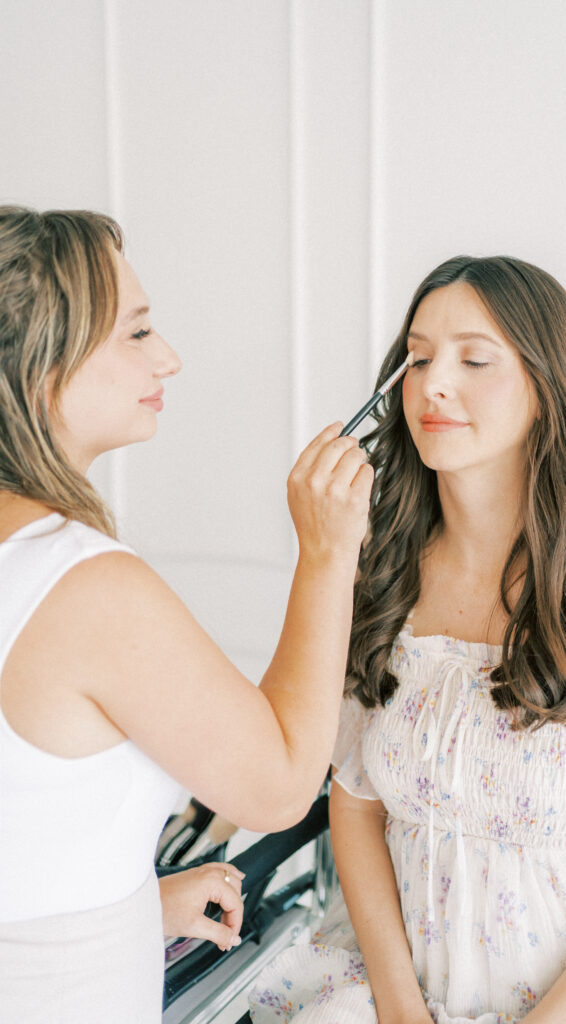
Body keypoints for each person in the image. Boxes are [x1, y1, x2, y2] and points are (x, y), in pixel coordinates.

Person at [249, 255, 566, 1023]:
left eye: (473, 358)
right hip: (390, 989)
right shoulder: (373, 570)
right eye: (416, 358)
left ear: (548, 392)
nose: (431, 384)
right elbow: (354, 808)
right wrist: (400, 1009)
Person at [0, 205, 373, 1022]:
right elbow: (276, 787)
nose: (166, 357)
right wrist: (324, 555)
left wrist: (125, 911)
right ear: (39, 367)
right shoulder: (84, 589)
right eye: (136, 334)